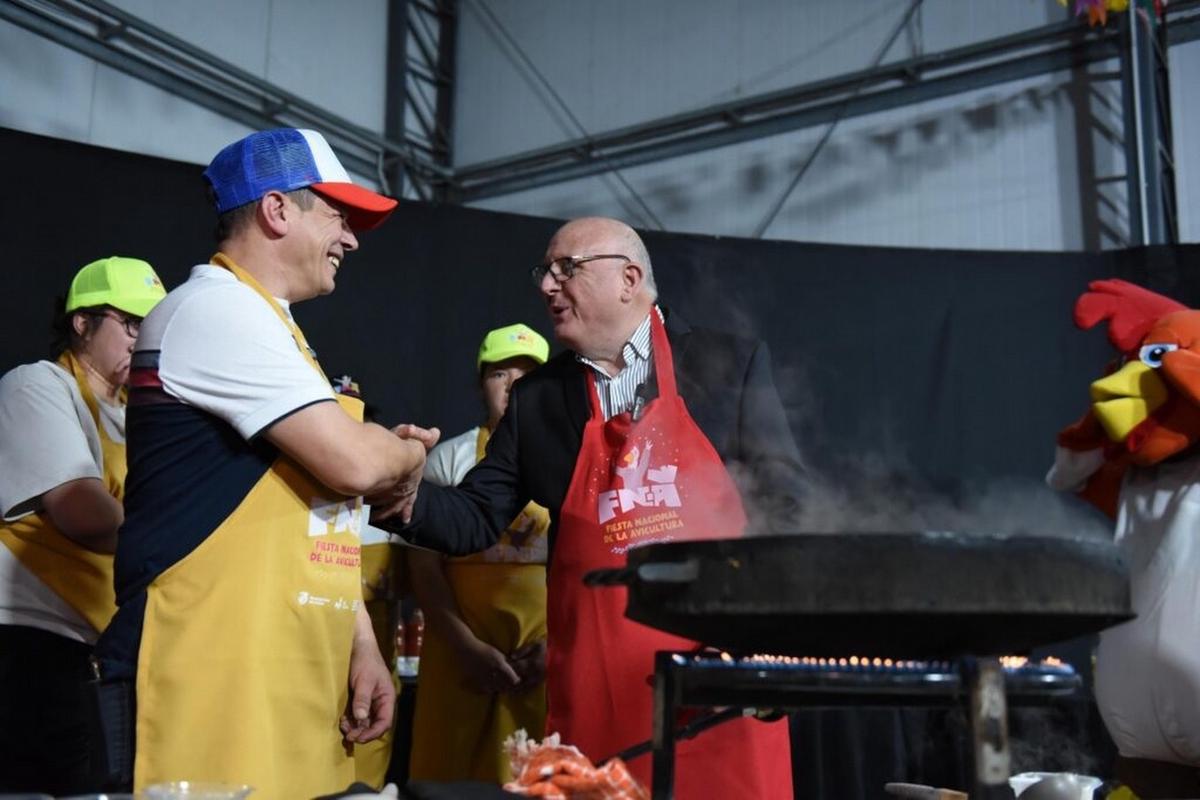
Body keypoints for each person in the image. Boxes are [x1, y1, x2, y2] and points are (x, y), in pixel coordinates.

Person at [384, 217, 803, 799]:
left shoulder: (726, 363)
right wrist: (399, 493)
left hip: (717, 677)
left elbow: (783, 502)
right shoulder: (538, 400)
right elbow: (476, 515)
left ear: (629, 278)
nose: (547, 286)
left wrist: (761, 633)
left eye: (566, 269)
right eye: (544, 272)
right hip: (597, 689)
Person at [94, 128, 433, 800]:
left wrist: (358, 639)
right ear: (278, 210)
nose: (352, 239)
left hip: (275, 673)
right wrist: (411, 454)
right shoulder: (214, 311)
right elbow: (352, 465)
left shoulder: (269, 328)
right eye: (338, 215)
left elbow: (315, 506)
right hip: (205, 676)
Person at [0, 256, 166, 795]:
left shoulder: (142, 418)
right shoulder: (38, 386)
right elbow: (82, 510)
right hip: (30, 643)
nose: (143, 340)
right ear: (81, 322)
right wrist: (175, 537)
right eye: (130, 323)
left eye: (153, 327)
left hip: (101, 649)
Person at [408, 323, 552, 784]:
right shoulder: (448, 459)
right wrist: (465, 647)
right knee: (449, 780)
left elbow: (587, 567)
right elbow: (423, 568)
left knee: (540, 779)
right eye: (500, 374)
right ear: (480, 384)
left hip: (542, 662)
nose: (514, 386)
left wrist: (556, 649)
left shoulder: (567, 463)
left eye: (527, 375)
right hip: (459, 659)